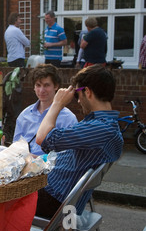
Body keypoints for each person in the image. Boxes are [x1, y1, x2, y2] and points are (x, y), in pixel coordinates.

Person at [35, 64, 123, 218]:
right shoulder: (104, 125)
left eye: (77, 94)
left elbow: (42, 138)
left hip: (54, 200)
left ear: (87, 92)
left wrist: (57, 104)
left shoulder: (101, 129)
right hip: (57, 196)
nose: (77, 101)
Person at [0, 64, 77, 155]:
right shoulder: (25, 115)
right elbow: (16, 148)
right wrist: (1, 145)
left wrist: (37, 158)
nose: (41, 90)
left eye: (46, 85)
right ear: (34, 87)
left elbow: (69, 155)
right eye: (38, 85)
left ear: (56, 86)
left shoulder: (68, 118)